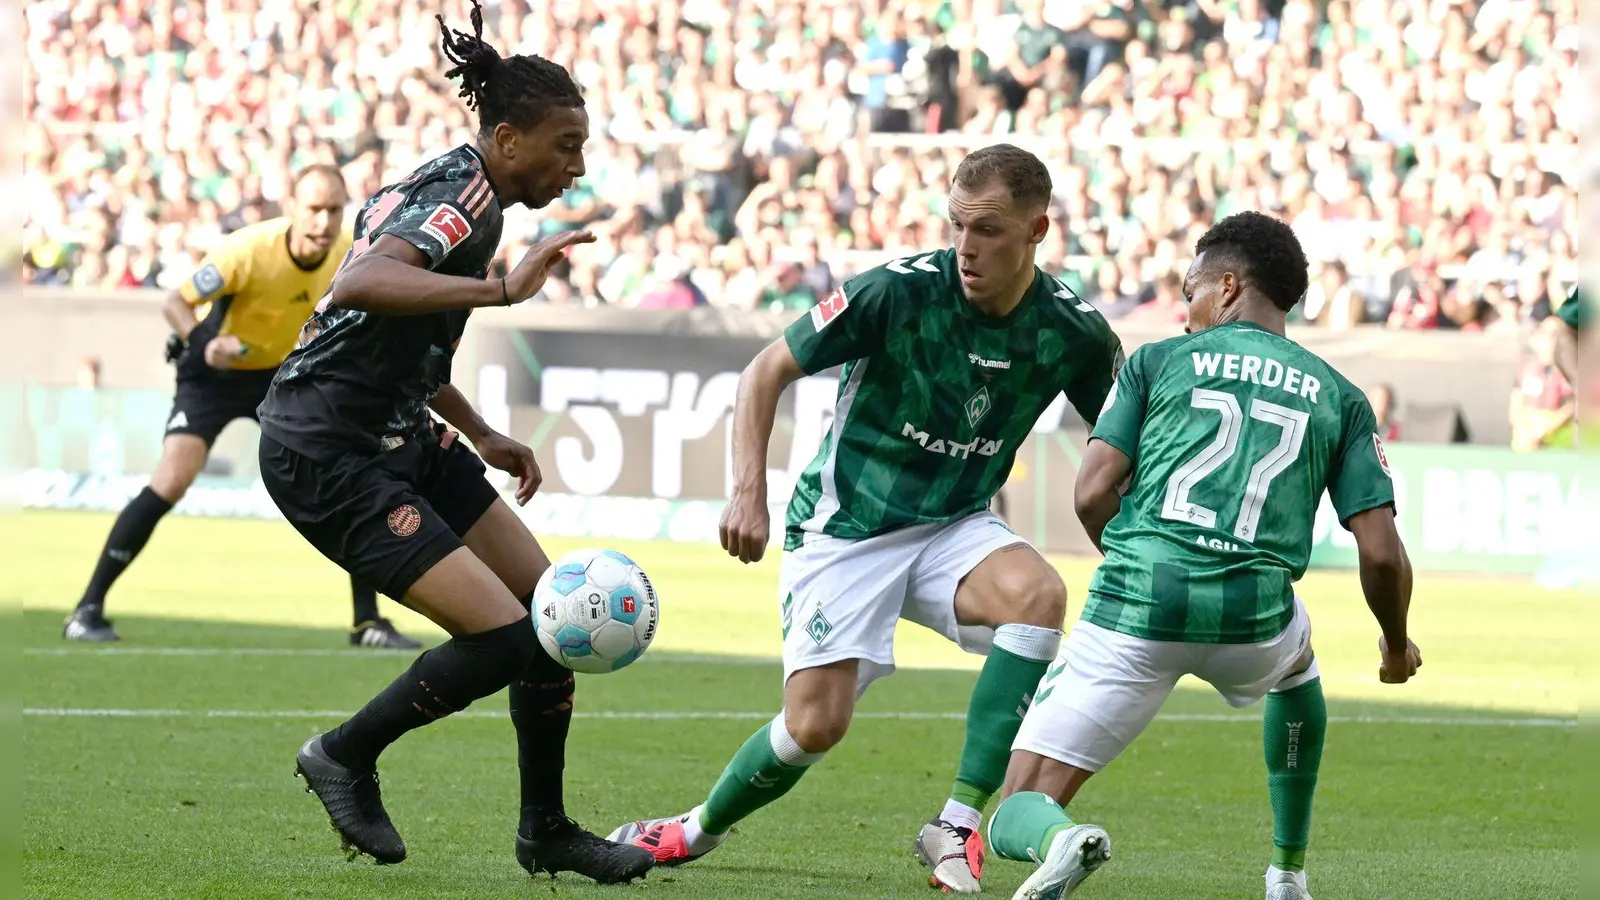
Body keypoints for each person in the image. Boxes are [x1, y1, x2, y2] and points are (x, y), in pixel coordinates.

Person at [607, 143, 1125, 896]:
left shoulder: (1075, 331)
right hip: (848, 525)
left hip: (953, 524)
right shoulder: (897, 292)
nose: (966, 247)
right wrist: (747, 490)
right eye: (956, 226)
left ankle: (957, 822)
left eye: (988, 231)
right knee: (815, 726)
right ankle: (694, 831)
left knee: (1038, 596)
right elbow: (765, 371)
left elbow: (1117, 445)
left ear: (1037, 230)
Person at [255, 2, 652, 883]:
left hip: (402, 431)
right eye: (566, 143)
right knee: (507, 637)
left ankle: (544, 830)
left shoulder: (470, 195)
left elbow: (402, 334)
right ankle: (344, 755)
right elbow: (361, 282)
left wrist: (480, 432)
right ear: (507, 136)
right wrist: (502, 294)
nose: (576, 164)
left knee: (553, 618)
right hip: (327, 448)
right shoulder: (464, 198)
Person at [984, 212, 1422, 900]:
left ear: (1225, 286)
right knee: (1298, 665)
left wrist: (1139, 563)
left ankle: (1060, 841)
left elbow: (1093, 492)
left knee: (1014, 808)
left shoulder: (1158, 361)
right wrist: (1395, 645)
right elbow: (1383, 554)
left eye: (1190, 289)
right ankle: (1286, 872)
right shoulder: (1342, 396)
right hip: (1255, 623)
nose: (1185, 309)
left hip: (1138, 611)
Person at [61, 166, 419, 651]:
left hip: (282, 377)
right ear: (291, 206)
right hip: (213, 374)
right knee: (172, 480)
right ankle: (87, 609)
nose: (324, 220)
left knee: (348, 474)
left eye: (334, 209)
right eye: (314, 208)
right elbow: (176, 303)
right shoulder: (247, 250)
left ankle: (367, 622)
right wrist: (204, 341)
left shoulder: (347, 256)